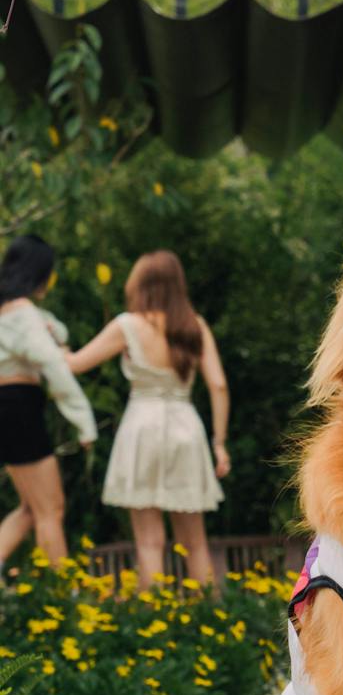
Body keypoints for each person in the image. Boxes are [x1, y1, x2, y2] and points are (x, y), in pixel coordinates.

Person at [68, 251, 231, 588]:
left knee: (149, 541)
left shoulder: (127, 325)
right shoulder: (194, 326)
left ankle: (154, 620)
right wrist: (219, 443)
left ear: (140, 283)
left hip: (142, 427)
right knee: (196, 541)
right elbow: (218, 384)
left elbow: (75, 364)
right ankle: (213, 623)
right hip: (185, 427)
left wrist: (46, 344)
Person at [0, 234, 97, 566]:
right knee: (51, 509)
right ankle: (62, 596)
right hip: (18, 405)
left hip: (6, 407)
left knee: (31, 509)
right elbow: (54, 367)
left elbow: (56, 334)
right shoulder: (24, 314)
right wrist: (84, 422)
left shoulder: (8, 313)